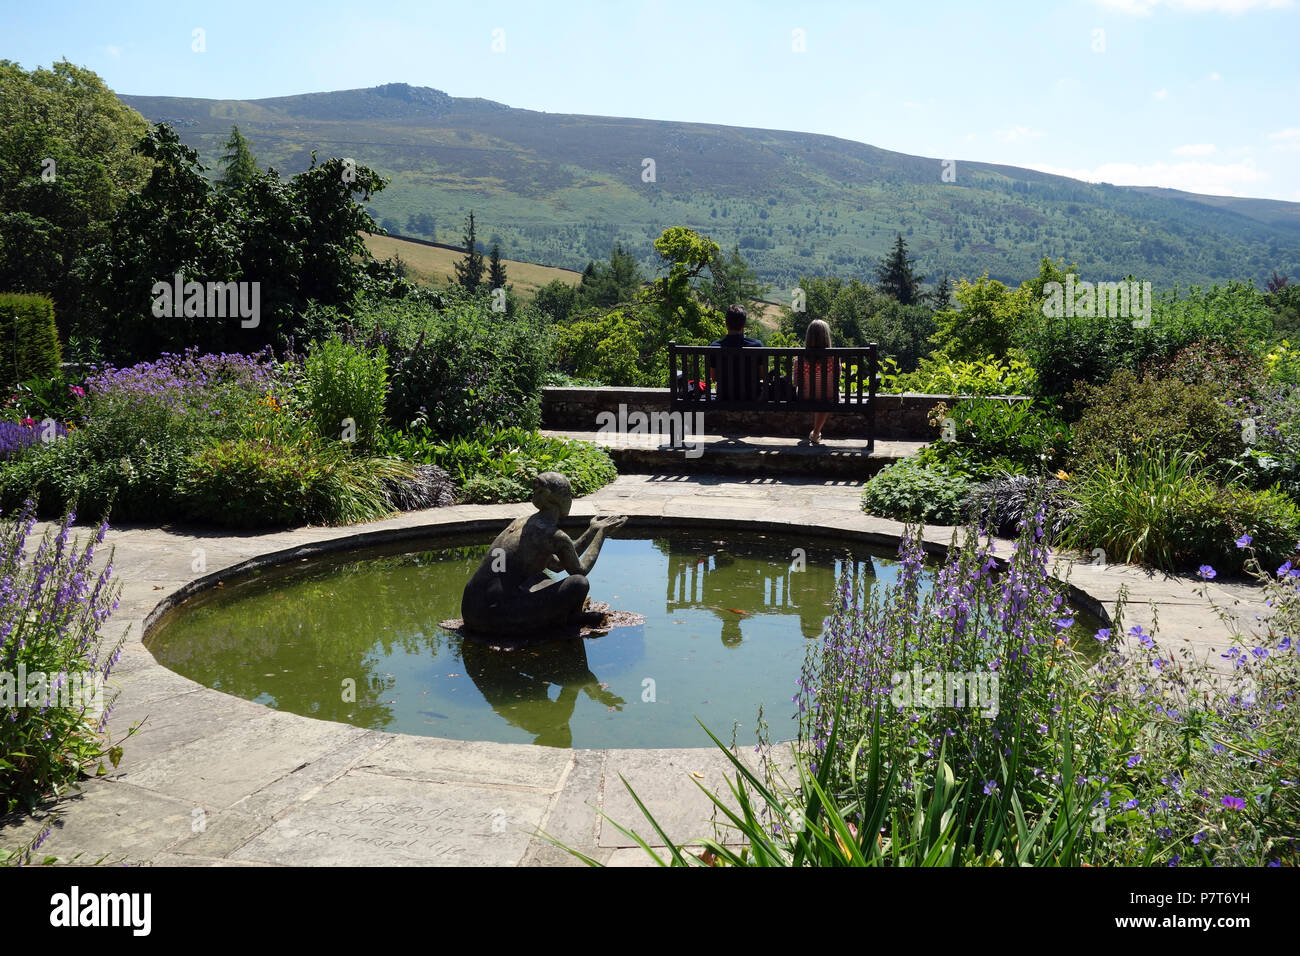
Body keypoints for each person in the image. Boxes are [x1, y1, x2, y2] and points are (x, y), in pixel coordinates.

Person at [461, 472, 627, 635]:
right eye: (570, 496)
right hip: (493, 617)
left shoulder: (522, 522)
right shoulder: (553, 535)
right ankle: (572, 617)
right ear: (560, 500)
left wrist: (592, 530)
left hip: (471, 608)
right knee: (578, 583)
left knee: (539, 577)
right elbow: (580, 570)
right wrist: (601, 534)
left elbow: (557, 565)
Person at [794, 319, 838, 445]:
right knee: (826, 394)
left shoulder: (800, 358)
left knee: (816, 392)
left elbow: (797, 382)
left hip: (805, 397)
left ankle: (815, 433)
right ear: (826, 336)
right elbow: (836, 379)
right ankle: (816, 433)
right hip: (829, 397)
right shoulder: (833, 358)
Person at [708, 303, 762, 401]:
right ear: (744, 324)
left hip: (724, 396)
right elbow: (762, 375)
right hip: (751, 396)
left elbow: (714, 377)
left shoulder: (715, 347)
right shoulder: (757, 346)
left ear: (726, 323)